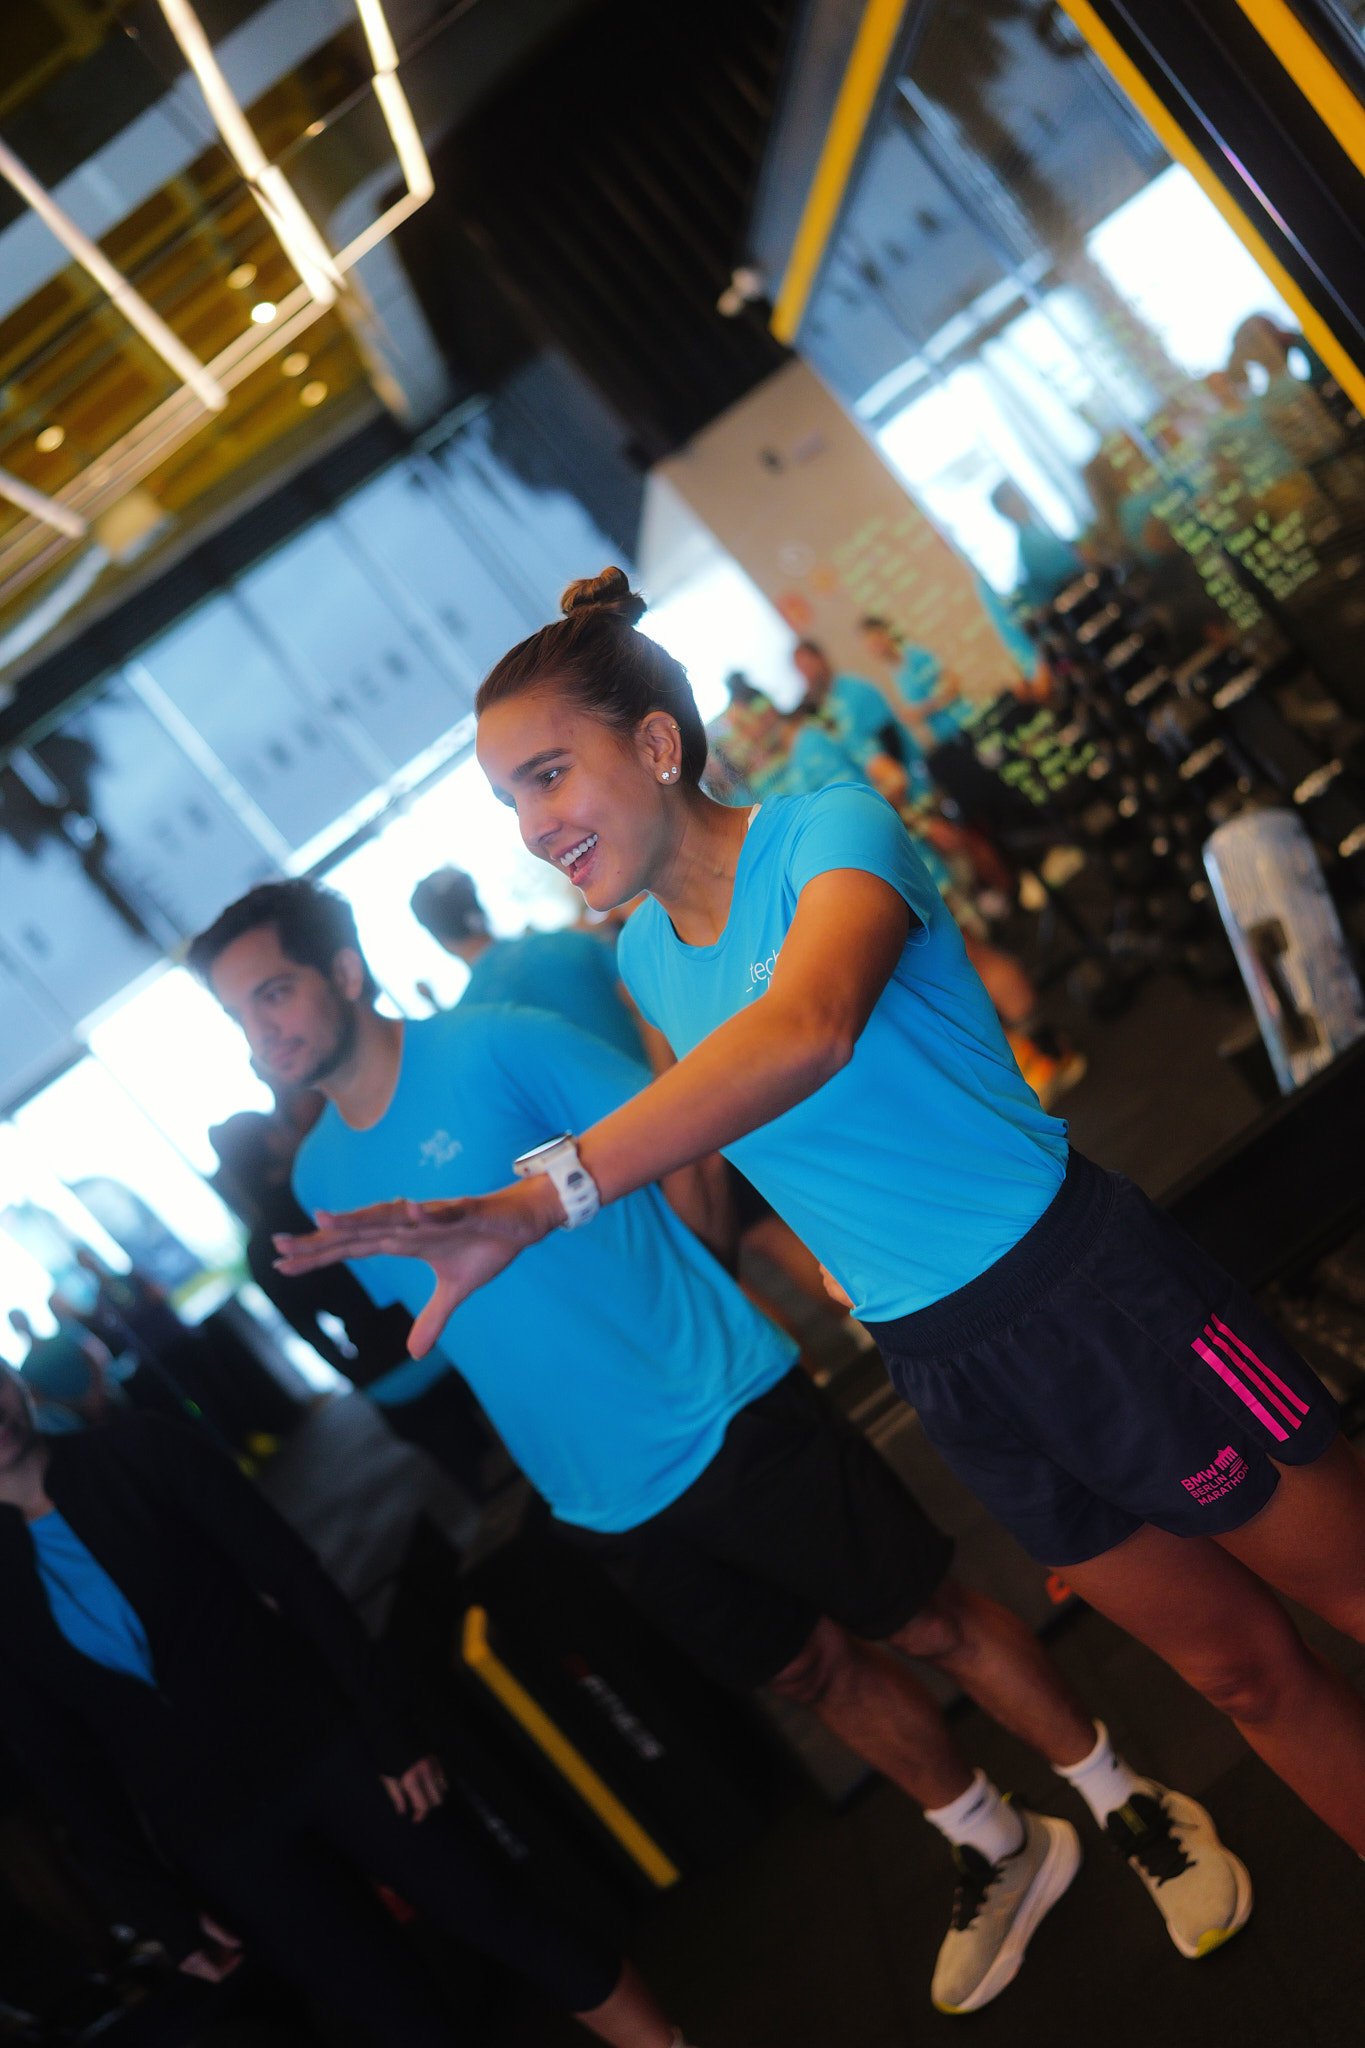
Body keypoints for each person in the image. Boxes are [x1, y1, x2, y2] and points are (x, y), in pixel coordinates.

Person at [290, 565, 1365, 1900]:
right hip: (949, 1365)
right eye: (509, 798)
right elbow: (722, 1132)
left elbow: (808, 1029)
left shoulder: (827, 831)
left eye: (548, 775)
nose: (531, 824)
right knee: (1238, 1675)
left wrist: (539, 1198)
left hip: (1085, 1284)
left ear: (658, 743)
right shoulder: (643, 958)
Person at [236, 895, 1249, 2012]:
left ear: (343, 970)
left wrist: (696, 1281)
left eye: (273, 991)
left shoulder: (496, 1043)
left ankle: (1123, 1798)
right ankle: (995, 1839)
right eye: (239, 1012)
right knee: (807, 1671)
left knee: (926, 1618)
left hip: (721, 1402)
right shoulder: (320, 1178)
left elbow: (682, 1131)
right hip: (600, 1493)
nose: (260, 1028)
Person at [0, 1366, 682, 2048]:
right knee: (400, 2023)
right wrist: (158, 1909)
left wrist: (387, 1724)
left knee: (507, 1917)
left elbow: (298, 1580)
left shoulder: (140, 1449)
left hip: (328, 1743)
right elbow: (62, 1764)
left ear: (13, 1380)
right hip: (218, 1832)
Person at [208, 1105, 498, 1499]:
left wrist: (364, 1379)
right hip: (446, 1335)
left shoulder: (261, 1251)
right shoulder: (331, 1189)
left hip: (388, 1376)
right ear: (272, 1141)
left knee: (482, 1489)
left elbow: (312, 1334)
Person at [7, 1310, 118, 1434]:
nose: (21, 1324)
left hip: (106, 1395)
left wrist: (97, 1393)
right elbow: (44, 1399)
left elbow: (93, 1359)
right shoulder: (27, 1369)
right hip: (79, 1418)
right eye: (17, 1322)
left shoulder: (61, 1339)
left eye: (20, 1320)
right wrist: (80, 1406)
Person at [988, 482, 1085, 612]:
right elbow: (1061, 572)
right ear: (1005, 510)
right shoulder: (1026, 545)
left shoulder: (1037, 529)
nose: (1021, 498)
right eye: (1014, 496)